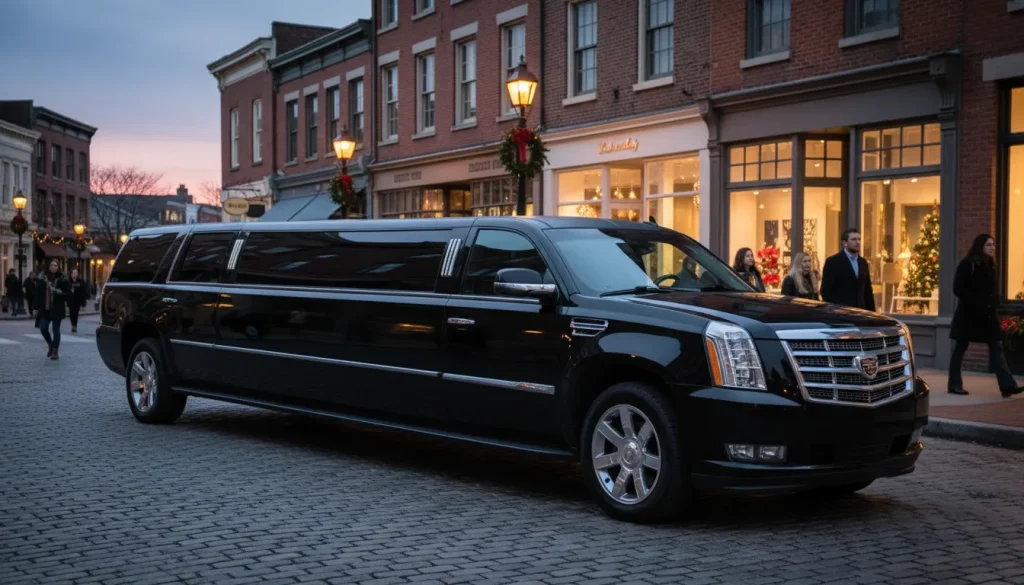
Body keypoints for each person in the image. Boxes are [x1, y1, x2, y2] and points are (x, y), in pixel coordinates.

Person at [948, 234, 1023, 398]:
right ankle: (954, 384)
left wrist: (994, 304)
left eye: (993, 244)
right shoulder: (968, 264)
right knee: (960, 348)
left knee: (996, 346)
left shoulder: (991, 264)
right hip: (968, 315)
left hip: (987, 316)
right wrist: (975, 303)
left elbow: (991, 290)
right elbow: (958, 288)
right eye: (989, 244)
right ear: (980, 246)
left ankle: (1007, 386)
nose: (992, 247)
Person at [820, 228, 875, 311]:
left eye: (859, 239)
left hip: (861, 312)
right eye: (853, 239)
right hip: (841, 313)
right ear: (845, 243)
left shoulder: (863, 262)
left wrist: (872, 313)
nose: (857, 242)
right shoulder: (833, 262)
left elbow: (867, 291)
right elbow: (826, 291)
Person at [35, 260, 71, 360]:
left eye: (55, 265)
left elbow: (68, 293)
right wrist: (36, 307)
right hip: (45, 308)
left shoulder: (63, 278)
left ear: (58, 267)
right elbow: (37, 293)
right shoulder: (42, 278)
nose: (53, 267)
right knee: (43, 328)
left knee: (56, 330)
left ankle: (55, 351)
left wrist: (58, 292)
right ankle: (50, 344)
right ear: (48, 266)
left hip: (57, 308)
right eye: (51, 265)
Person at [68, 268, 88, 333]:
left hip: (78, 300)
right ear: (71, 274)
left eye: (75, 273)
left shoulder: (81, 282)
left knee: (76, 313)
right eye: (73, 273)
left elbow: (84, 292)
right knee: (71, 313)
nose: (74, 274)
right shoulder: (68, 281)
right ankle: (72, 324)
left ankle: (74, 325)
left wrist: (83, 302)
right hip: (70, 300)